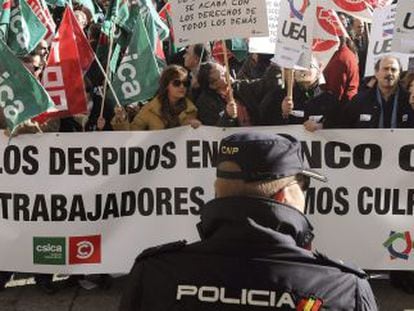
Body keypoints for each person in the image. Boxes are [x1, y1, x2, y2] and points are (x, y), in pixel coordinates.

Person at [120, 132, 378, 310]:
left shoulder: (154, 272)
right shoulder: (343, 288)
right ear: (285, 195)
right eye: (304, 184)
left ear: (217, 191)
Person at [111, 65, 200, 130]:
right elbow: (130, 135)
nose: (182, 87)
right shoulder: (150, 109)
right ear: (166, 85)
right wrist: (121, 119)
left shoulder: (191, 110)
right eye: (177, 83)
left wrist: (197, 127)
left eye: (185, 83)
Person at [342, 56, 414, 128]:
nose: (389, 73)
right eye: (385, 69)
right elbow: (344, 128)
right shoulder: (359, 101)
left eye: (393, 70)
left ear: (399, 75)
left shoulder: (409, 101)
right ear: (376, 73)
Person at [323, 36, 360, 104]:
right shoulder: (348, 53)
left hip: (340, 107)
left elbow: (336, 91)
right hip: (349, 102)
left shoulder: (340, 59)